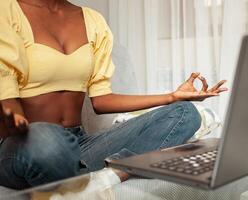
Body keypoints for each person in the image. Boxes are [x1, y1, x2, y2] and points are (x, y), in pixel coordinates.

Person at [0, 0, 227, 190]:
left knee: (185, 113)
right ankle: (74, 176)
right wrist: (16, 123)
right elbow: (6, 93)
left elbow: (101, 100)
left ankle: (112, 173)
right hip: (23, 143)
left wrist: (172, 96)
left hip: (78, 144)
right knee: (47, 140)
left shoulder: (92, 20)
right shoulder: (6, 10)